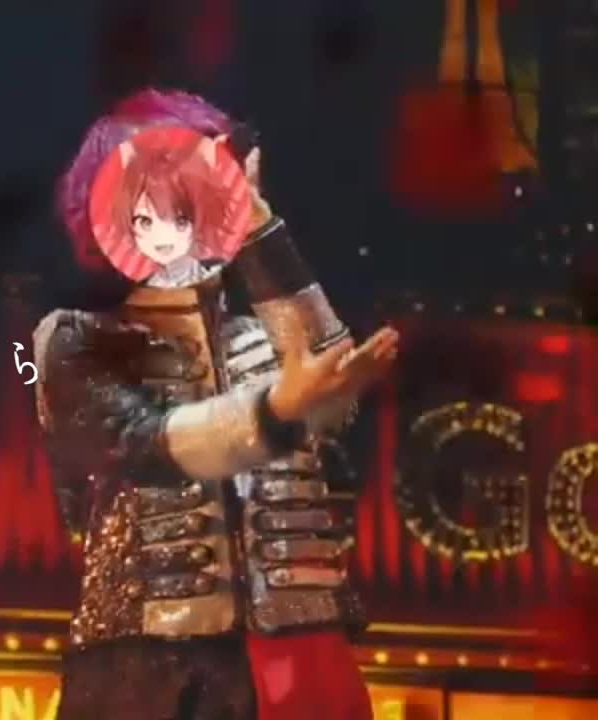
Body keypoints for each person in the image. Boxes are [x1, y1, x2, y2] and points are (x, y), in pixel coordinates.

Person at [33, 88, 398, 720]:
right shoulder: (76, 342)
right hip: (148, 669)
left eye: (197, 199)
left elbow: (328, 383)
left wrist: (259, 226)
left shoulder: (263, 339)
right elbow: (147, 441)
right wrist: (274, 411)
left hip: (302, 656)